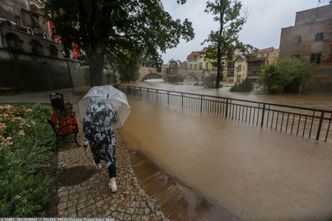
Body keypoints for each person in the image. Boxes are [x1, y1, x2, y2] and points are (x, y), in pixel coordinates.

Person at [82, 99, 118, 192]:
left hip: (96, 138)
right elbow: (116, 120)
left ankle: (97, 165)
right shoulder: (110, 106)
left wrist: (85, 143)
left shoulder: (90, 108)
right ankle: (113, 183)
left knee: (96, 152)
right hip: (109, 138)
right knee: (110, 158)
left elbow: (86, 127)